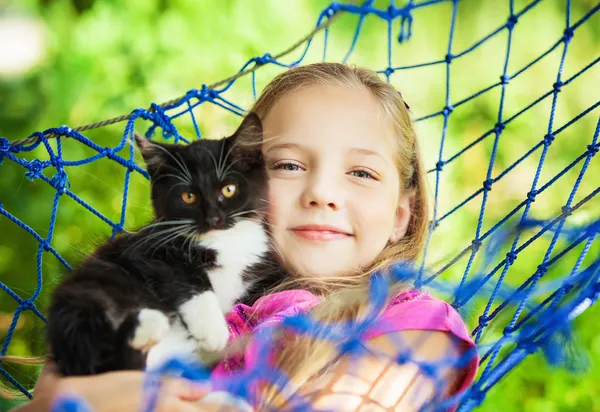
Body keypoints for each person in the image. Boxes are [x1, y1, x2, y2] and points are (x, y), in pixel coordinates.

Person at [10, 63, 478, 411]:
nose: (321, 193)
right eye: (288, 166)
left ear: (400, 216)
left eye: (361, 172)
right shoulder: (176, 297)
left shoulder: (418, 324)